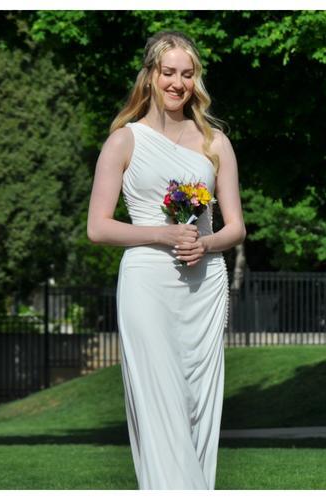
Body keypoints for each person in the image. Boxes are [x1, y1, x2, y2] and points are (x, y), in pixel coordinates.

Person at [86, 31, 245, 490]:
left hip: (204, 285)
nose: (178, 83)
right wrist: (162, 233)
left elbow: (234, 226)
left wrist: (206, 243)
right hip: (148, 284)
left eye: (187, 74)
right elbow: (98, 227)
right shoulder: (124, 141)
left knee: (197, 404)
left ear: (196, 80)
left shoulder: (216, 143)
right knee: (161, 404)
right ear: (151, 75)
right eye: (169, 72)